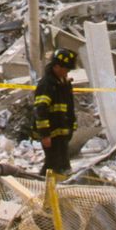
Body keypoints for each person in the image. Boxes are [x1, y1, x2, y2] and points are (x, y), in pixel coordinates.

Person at [34, 48, 78, 178]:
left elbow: (69, 106)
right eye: (66, 69)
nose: (67, 72)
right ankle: (43, 184)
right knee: (53, 163)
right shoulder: (47, 84)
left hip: (62, 132)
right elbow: (40, 110)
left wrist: (72, 125)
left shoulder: (64, 83)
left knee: (62, 163)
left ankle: (59, 182)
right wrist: (45, 135)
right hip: (51, 134)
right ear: (57, 66)